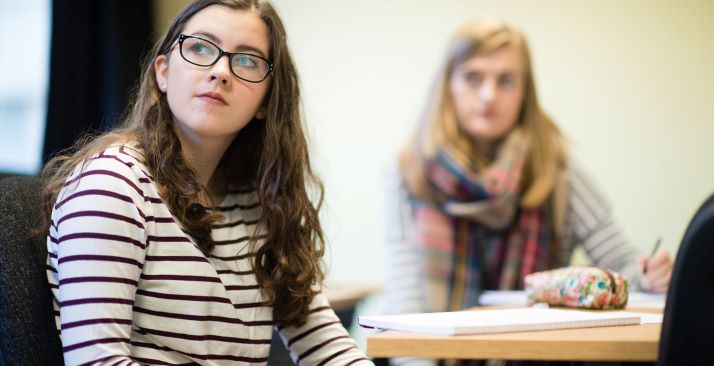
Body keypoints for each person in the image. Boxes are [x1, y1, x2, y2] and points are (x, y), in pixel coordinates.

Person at [42, 1, 373, 365]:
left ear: (266, 100)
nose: (221, 71)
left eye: (247, 60)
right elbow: (96, 362)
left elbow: (326, 348)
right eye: (200, 47)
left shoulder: (260, 203)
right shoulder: (112, 185)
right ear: (163, 73)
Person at [384, 18, 673, 365]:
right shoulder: (409, 174)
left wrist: (646, 275)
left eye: (506, 80)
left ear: (525, 93)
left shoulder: (557, 169)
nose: (489, 95)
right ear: (448, 85)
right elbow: (407, 316)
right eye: (473, 77)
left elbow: (622, 266)